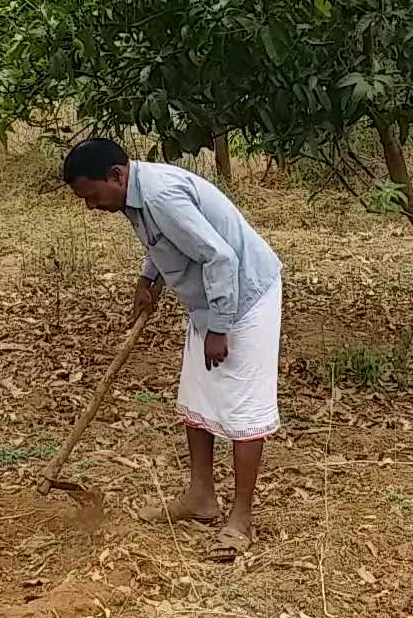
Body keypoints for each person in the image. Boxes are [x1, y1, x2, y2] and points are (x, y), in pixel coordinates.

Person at [62, 137, 282, 561]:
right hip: (211, 299)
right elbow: (169, 242)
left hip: (244, 295)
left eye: (91, 196)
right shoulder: (133, 196)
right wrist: (149, 279)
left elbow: (219, 257)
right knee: (198, 393)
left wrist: (219, 327)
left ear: (116, 175)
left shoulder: (160, 195)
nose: (91, 207)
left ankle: (241, 518)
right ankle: (201, 497)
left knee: (242, 405)